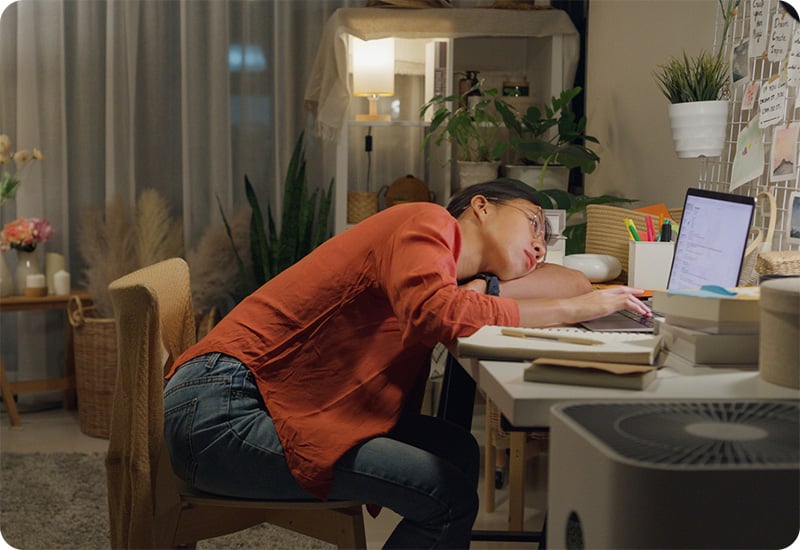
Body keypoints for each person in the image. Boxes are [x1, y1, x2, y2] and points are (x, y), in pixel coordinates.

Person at [163, 179, 649, 548]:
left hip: (252, 404)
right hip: (221, 413)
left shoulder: (442, 273)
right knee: (446, 496)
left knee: (457, 451)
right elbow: (438, 315)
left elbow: (571, 283)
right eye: (534, 223)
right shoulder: (426, 222)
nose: (540, 245)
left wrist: (486, 289)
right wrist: (575, 309)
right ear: (481, 207)